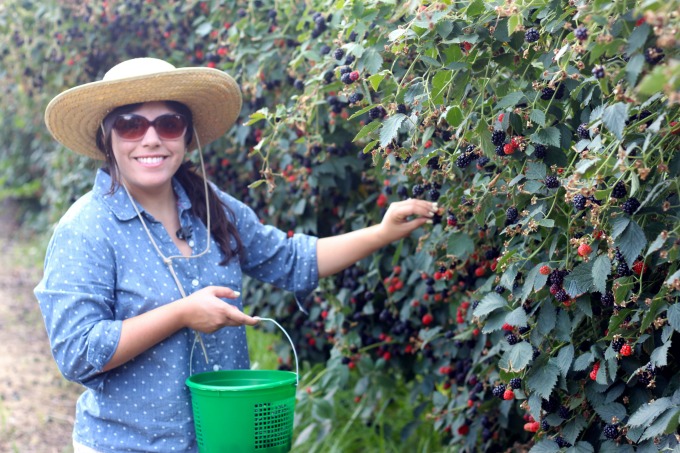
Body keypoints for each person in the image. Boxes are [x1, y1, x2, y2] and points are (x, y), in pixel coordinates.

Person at [34, 57, 437, 452]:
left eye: (169, 124)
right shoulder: (86, 229)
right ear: (107, 137)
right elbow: (78, 352)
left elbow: (292, 259)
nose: (151, 139)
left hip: (227, 439)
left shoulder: (211, 209)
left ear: (187, 136)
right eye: (131, 125)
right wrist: (182, 313)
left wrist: (383, 232)